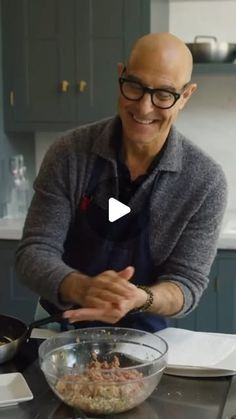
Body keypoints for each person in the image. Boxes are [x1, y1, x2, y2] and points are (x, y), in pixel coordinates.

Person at [15, 32, 227, 333]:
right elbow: (33, 253)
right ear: (120, 76)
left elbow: (186, 284)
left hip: (145, 340)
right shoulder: (68, 154)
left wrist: (139, 297)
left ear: (186, 96)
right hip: (58, 330)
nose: (143, 108)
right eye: (134, 86)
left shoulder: (205, 182)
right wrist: (82, 288)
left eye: (164, 94)